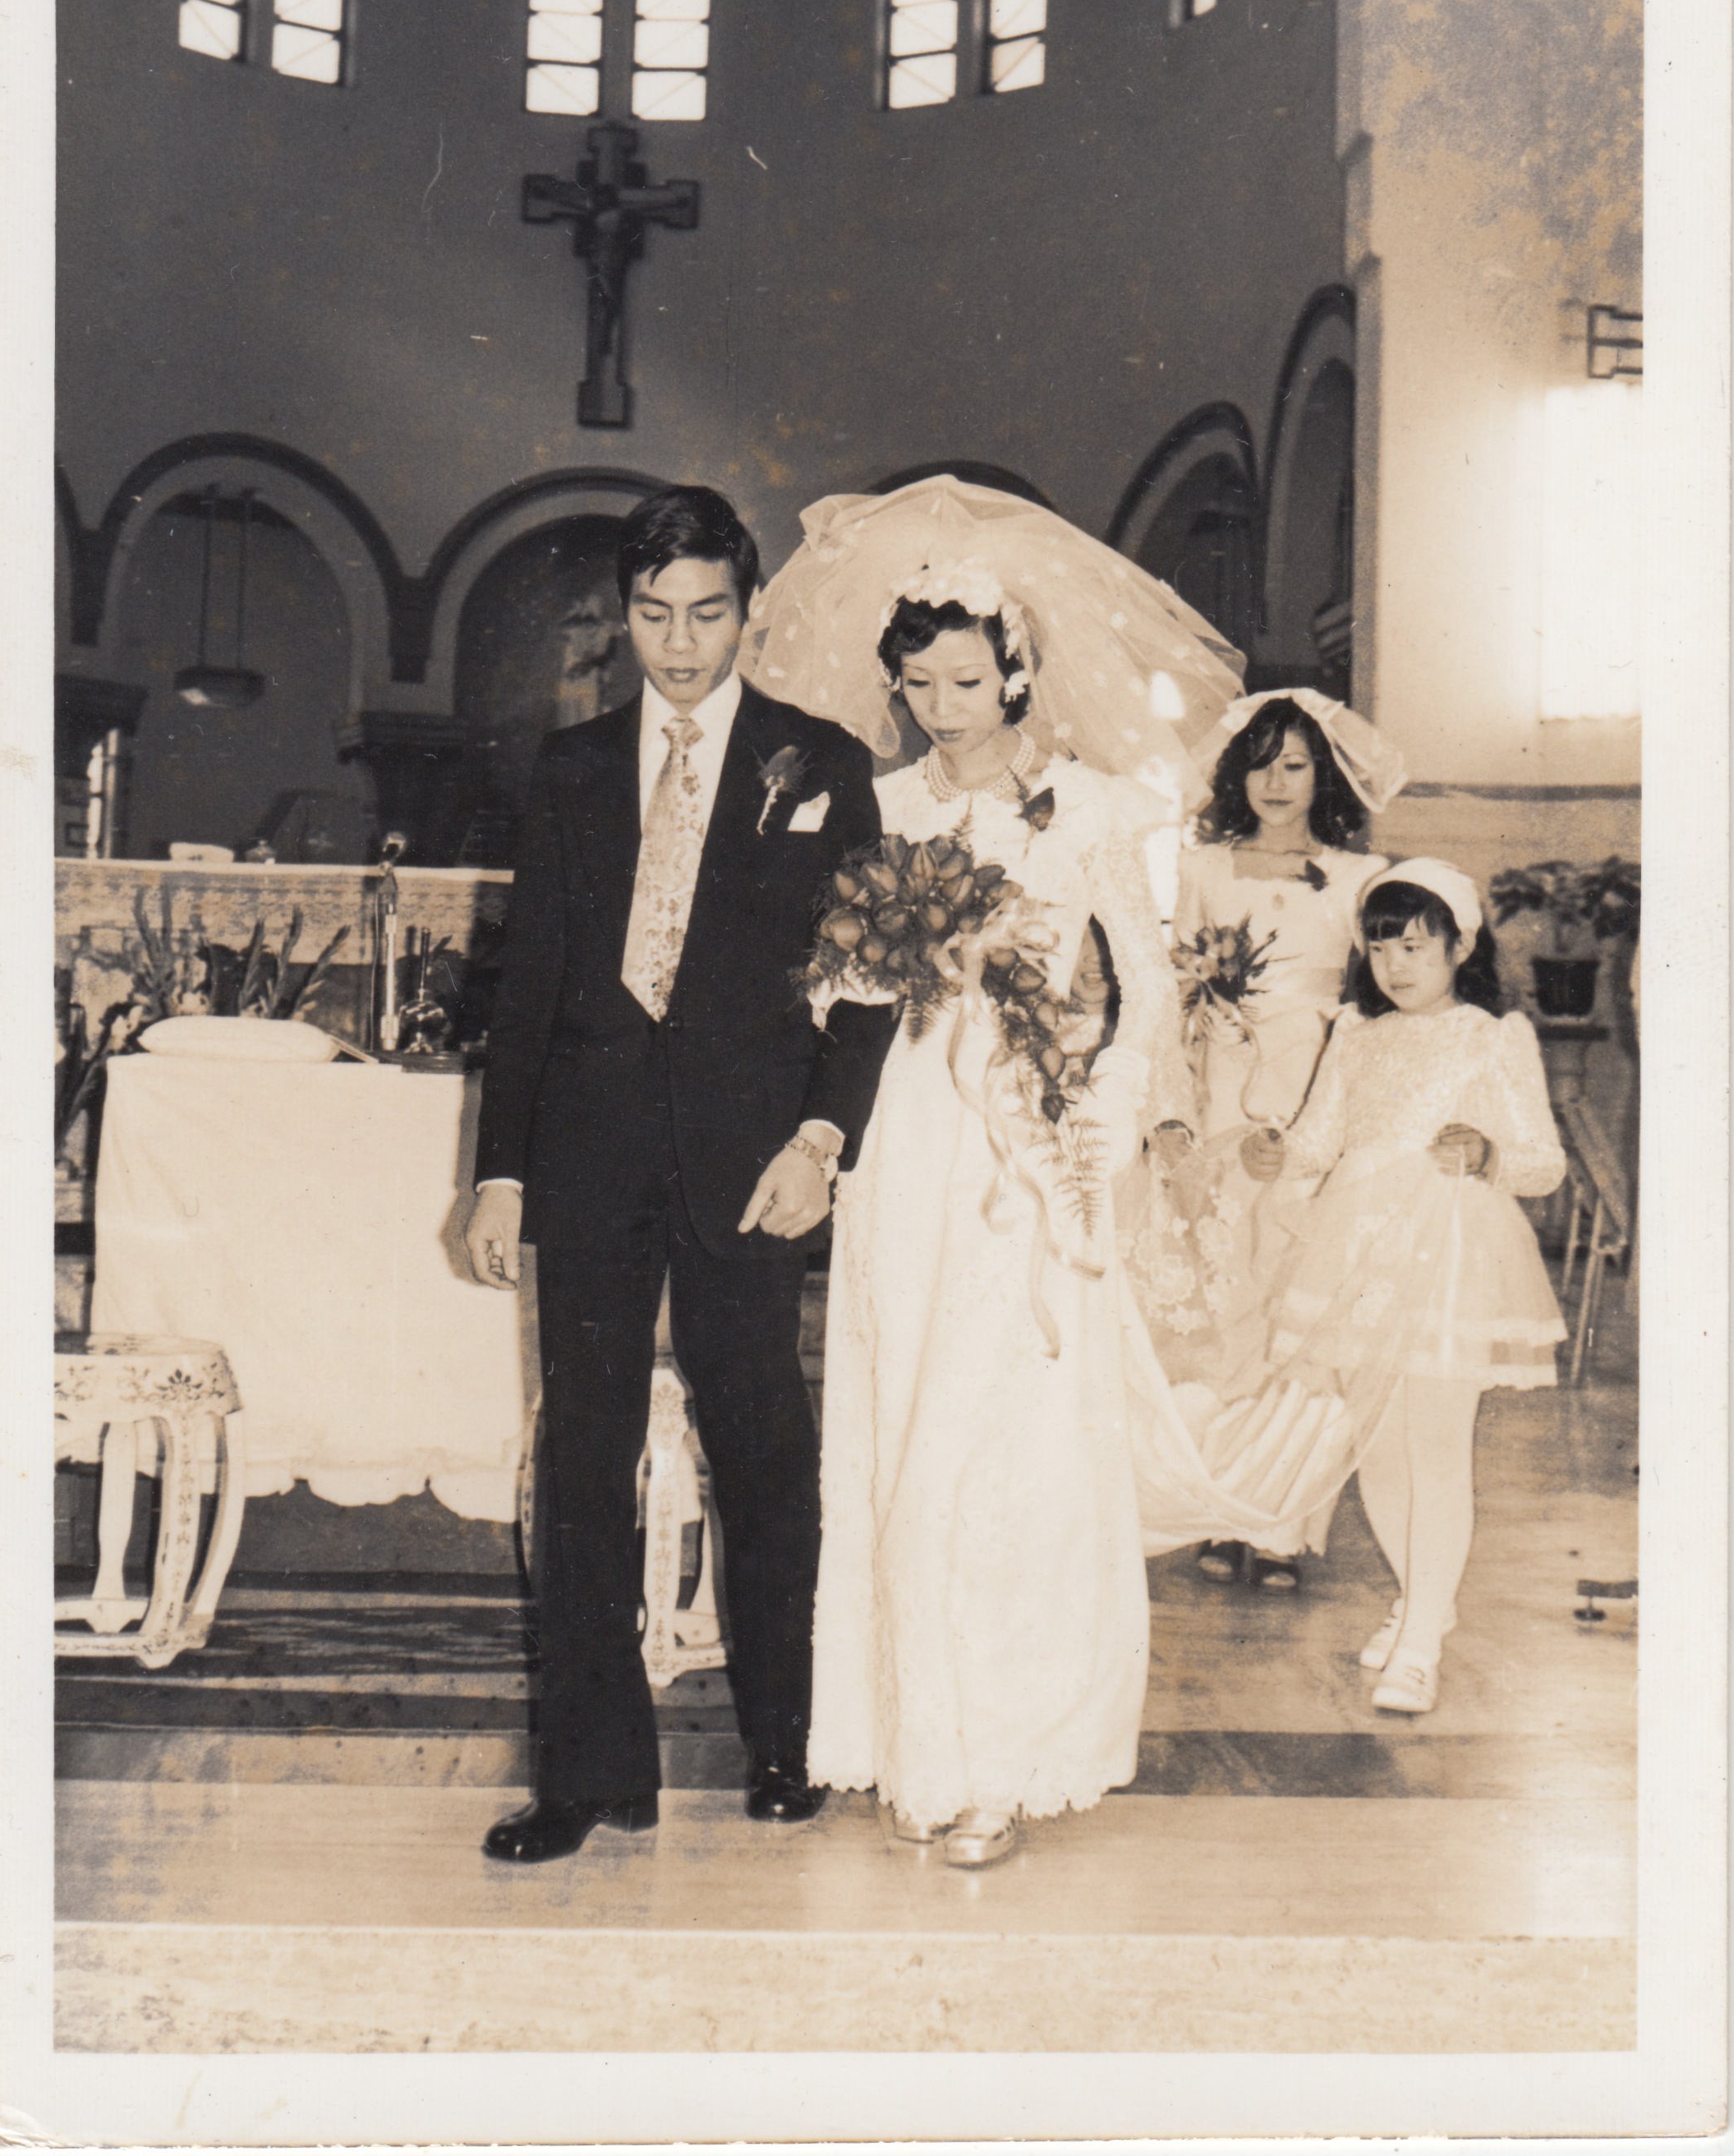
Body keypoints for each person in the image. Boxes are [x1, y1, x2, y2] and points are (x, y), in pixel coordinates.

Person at [740, 475, 1246, 1865]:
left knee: (1001, 1437)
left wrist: (1103, 1110)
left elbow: (1147, 991)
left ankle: (1003, 1757)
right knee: (902, 1411)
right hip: (902, 1134)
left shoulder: (1087, 810)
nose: (938, 708)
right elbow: (829, 978)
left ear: (1015, 668)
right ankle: (901, 1728)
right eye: (916, 685)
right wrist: (887, 959)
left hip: (1029, 1139)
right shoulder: (878, 803)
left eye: (963, 679)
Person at [459, 486, 895, 1864]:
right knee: (579, 1458)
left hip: (748, 1163)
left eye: (707, 612)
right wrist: (501, 1174)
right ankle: (588, 1776)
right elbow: (526, 984)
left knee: (763, 1447)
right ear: (623, 616)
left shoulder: (819, 762)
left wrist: (822, 1141)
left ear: (749, 610)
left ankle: (783, 1741)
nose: (681, 642)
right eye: (653, 615)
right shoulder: (572, 767)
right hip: (588, 1157)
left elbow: (869, 980)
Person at [1238, 860, 1566, 1712]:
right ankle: (1428, 1602)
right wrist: (1274, 1152)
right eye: (1381, 947)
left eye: (1416, 946)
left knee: (1434, 1445)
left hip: (1448, 1251)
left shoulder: (1494, 1036)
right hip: (1355, 1251)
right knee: (1375, 1447)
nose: (1396, 966)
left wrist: (1489, 1156)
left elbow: (1542, 1163)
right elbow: (1316, 1140)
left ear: (1461, 945)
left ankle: (1418, 1641)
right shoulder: (1353, 1031)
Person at [1129, 691, 1404, 1592]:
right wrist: (1170, 1109)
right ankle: (1225, 1500)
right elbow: (1171, 990)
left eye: (1294, 764)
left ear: (1322, 772)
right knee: (1226, 1294)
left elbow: (1375, 1008)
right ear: (1234, 772)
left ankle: (1286, 1521)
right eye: (1260, 762)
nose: (1276, 782)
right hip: (1219, 1089)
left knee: (1301, 1296)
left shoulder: (1361, 873)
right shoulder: (1202, 864)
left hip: (1315, 1091)